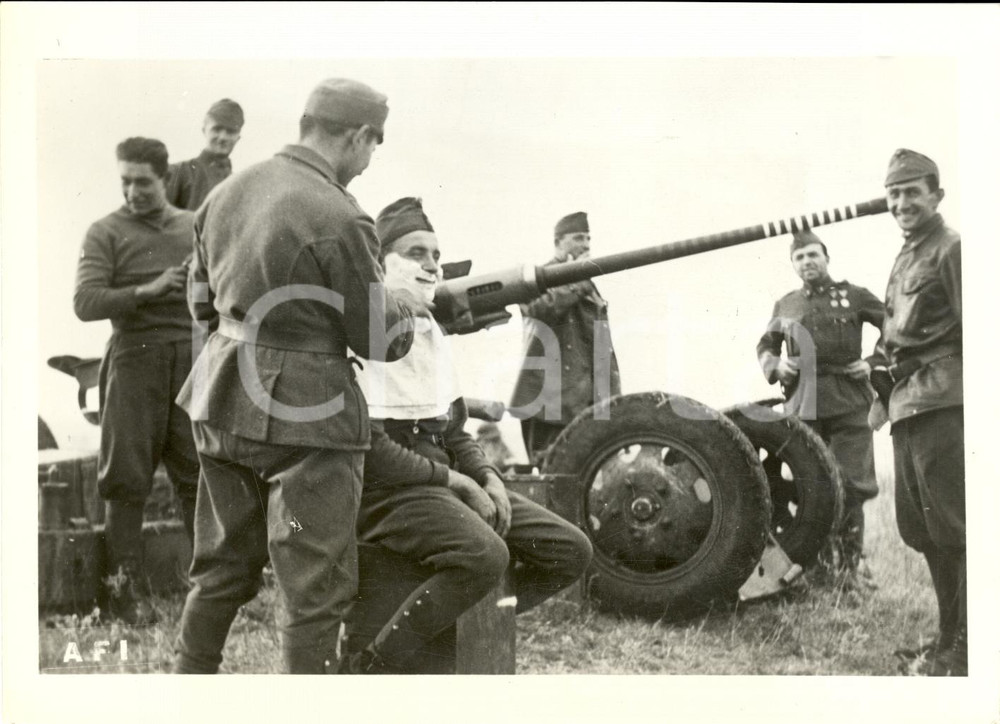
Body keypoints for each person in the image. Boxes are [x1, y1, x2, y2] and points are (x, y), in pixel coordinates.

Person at [171, 78, 428, 675]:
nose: (368, 162)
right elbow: (377, 340)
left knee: (217, 571)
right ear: (360, 136)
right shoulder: (342, 214)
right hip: (307, 423)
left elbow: (201, 306)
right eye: (373, 146)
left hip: (221, 404)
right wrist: (402, 305)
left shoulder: (225, 193)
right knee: (314, 593)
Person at [340, 197, 593, 674]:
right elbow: (372, 452)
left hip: (438, 472)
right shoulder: (363, 330)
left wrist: (489, 478)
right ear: (380, 261)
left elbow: (454, 428)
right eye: (416, 253)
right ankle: (374, 666)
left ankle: (459, 623)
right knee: (484, 555)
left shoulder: (429, 328)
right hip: (388, 489)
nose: (432, 266)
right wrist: (457, 483)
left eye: (436, 255)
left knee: (569, 551)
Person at [73, 137, 200, 625]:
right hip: (134, 359)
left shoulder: (195, 227)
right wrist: (149, 289)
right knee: (125, 481)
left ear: (164, 179)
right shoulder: (104, 231)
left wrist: (196, 286)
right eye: (124, 180)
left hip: (192, 360)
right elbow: (85, 302)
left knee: (196, 475)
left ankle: (206, 590)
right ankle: (123, 594)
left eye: (142, 181)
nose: (132, 191)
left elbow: (224, 290)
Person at [875, 149, 964, 676]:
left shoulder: (951, 249)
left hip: (948, 401)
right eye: (894, 194)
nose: (902, 203)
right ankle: (947, 641)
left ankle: (970, 650)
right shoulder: (909, 253)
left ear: (937, 195)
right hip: (908, 405)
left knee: (959, 529)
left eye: (913, 192)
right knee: (926, 532)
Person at [756, 229, 886, 585]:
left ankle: (848, 570)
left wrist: (875, 361)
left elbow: (895, 325)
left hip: (849, 402)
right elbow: (766, 346)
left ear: (826, 257)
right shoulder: (786, 304)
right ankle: (813, 568)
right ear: (794, 265)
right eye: (799, 257)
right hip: (803, 405)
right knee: (808, 485)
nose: (807, 262)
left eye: (813, 255)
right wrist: (776, 366)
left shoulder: (854, 296)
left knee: (851, 484)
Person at [509, 211, 621, 463]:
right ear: (558, 243)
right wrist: (578, 281)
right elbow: (537, 311)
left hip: (585, 403)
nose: (586, 245)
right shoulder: (538, 277)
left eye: (589, 238)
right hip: (551, 404)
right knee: (553, 472)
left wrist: (612, 404)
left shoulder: (586, 282)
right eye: (578, 238)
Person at [165, 98, 244, 210]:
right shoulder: (179, 172)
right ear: (204, 130)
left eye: (230, 131)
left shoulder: (240, 183)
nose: (222, 137)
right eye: (216, 129)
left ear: (238, 138)